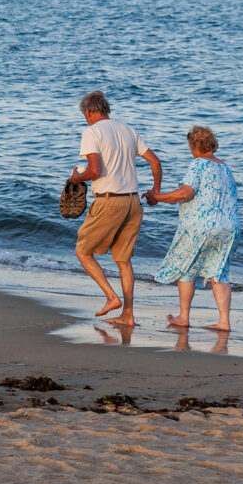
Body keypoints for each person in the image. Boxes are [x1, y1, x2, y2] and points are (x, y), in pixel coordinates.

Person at [68, 91, 162, 327]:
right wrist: (156, 193)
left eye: (85, 115)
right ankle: (128, 316)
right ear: (106, 109)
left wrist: (77, 178)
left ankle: (111, 297)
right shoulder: (128, 130)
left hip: (110, 201)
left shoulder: (92, 132)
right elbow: (155, 162)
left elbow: (94, 171)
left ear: (89, 112)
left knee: (82, 251)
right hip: (133, 201)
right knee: (123, 260)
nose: (86, 119)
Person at [143, 125, 239, 332]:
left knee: (187, 269)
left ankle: (184, 317)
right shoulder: (225, 168)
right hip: (229, 227)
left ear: (193, 145)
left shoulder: (199, 164)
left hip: (201, 226)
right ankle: (224, 321)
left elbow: (185, 193)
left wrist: (157, 197)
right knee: (219, 273)